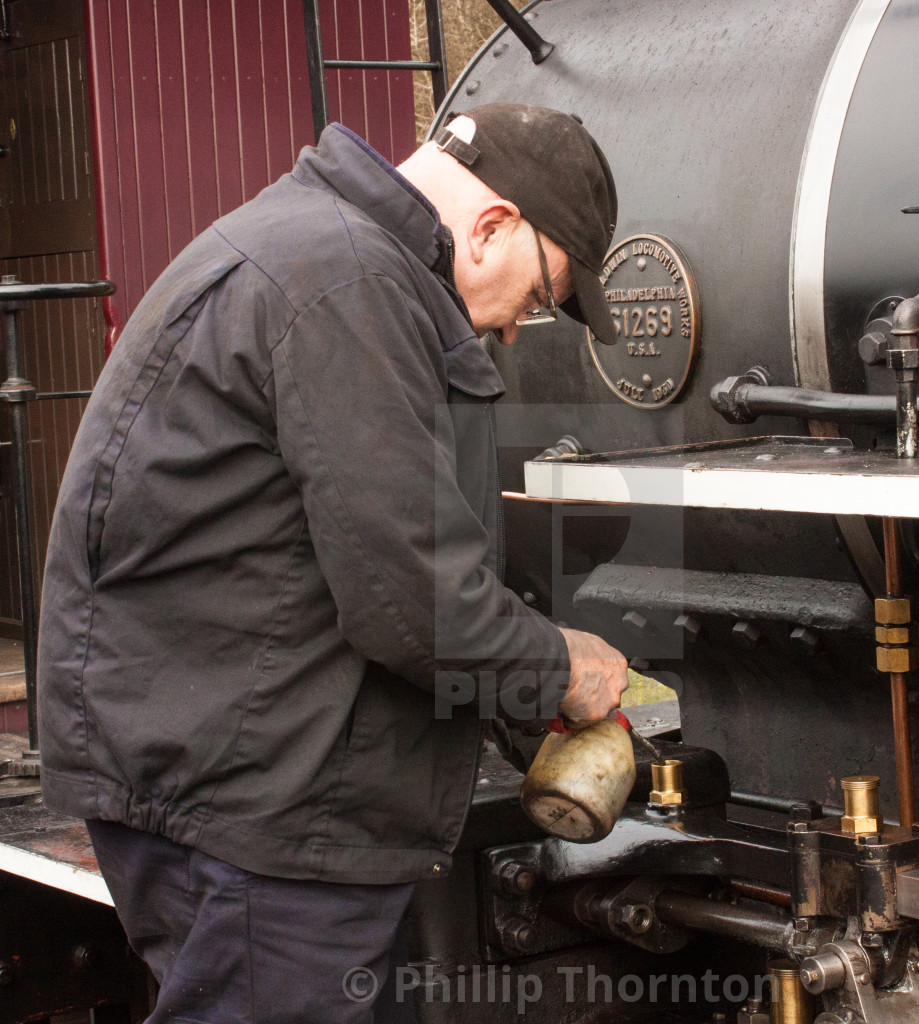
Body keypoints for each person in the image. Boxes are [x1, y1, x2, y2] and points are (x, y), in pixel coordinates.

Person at [36, 104, 628, 1021]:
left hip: (230, 773)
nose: (517, 330)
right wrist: (560, 666)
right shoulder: (349, 283)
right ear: (492, 224)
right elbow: (415, 601)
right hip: (257, 804)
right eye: (542, 295)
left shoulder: (310, 247)